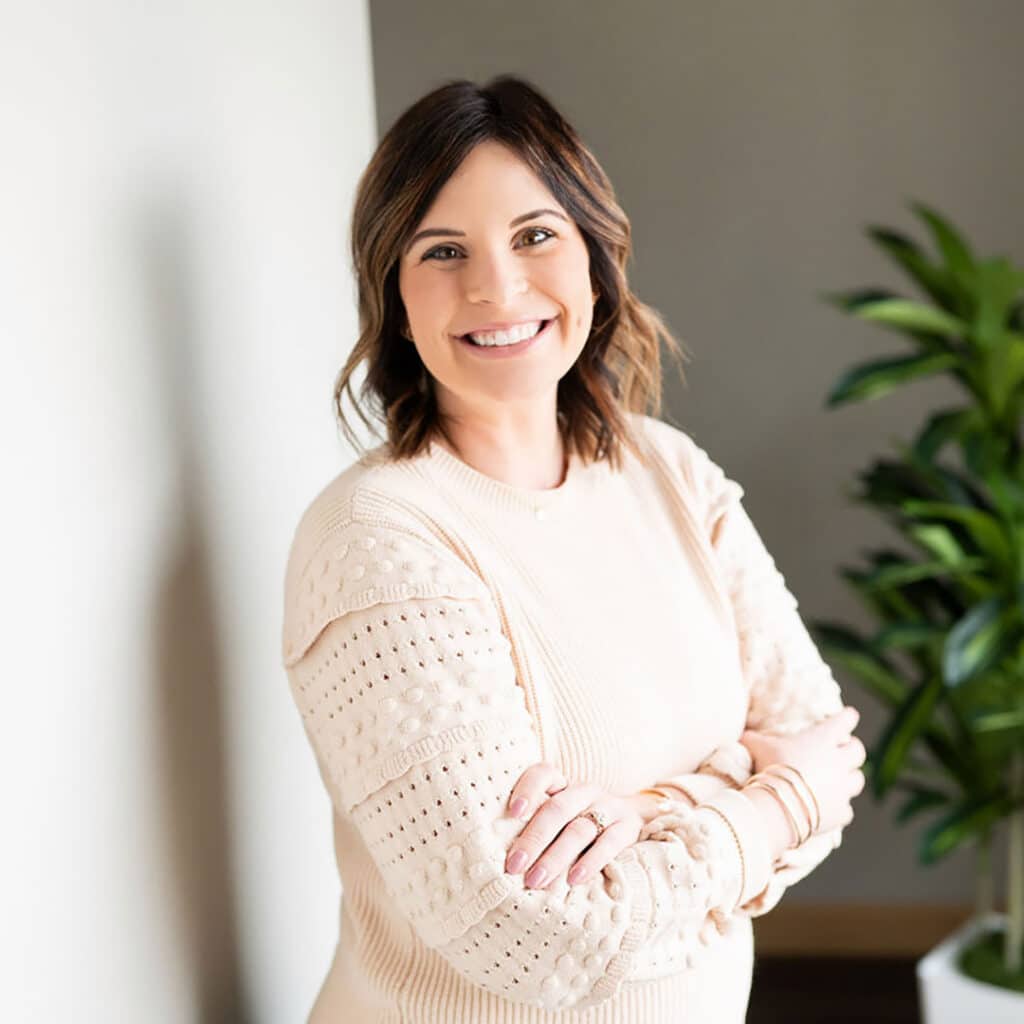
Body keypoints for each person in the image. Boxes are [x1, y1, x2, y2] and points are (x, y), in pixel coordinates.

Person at [280, 74, 866, 1023]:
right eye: (442, 250)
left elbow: (827, 750)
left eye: (535, 234)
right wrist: (760, 802)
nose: (496, 287)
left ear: (595, 256)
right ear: (392, 294)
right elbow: (536, 937)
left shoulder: (670, 471)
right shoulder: (378, 540)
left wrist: (649, 817)